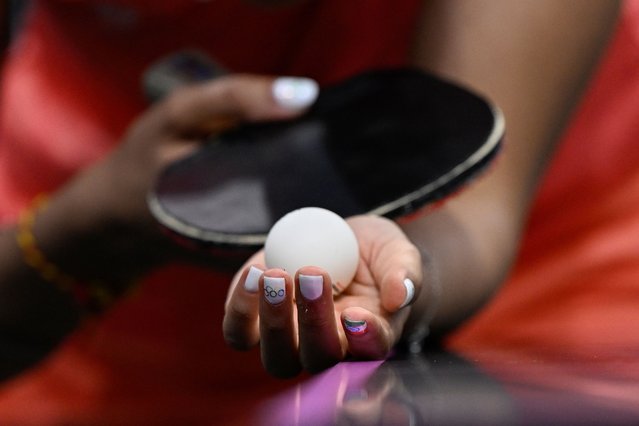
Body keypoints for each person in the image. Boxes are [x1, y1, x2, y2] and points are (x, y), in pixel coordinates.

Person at [0, 0, 622, 424]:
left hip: (560, 245)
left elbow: (479, 215)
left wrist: (392, 281)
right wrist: (80, 229)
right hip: (85, 207)